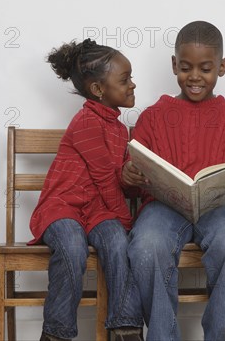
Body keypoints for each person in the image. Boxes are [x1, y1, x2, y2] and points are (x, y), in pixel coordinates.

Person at [122, 21, 225, 341]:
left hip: (223, 207)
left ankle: (221, 336)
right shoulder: (153, 117)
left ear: (222, 67)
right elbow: (132, 181)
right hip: (163, 207)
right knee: (146, 244)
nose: (195, 76)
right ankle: (161, 335)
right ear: (174, 65)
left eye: (205, 68)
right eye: (185, 68)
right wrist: (129, 175)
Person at [28, 39, 143, 341]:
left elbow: (119, 185)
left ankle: (125, 327)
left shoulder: (119, 129)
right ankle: (57, 333)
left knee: (119, 243)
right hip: (62, 208)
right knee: (72, 246)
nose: (132, 84)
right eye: (124, 79)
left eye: (131, 77)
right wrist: (129, 223)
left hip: (96, 211)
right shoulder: (86, 123)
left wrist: (131, 181)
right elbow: (105, 180)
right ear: (98, 90)